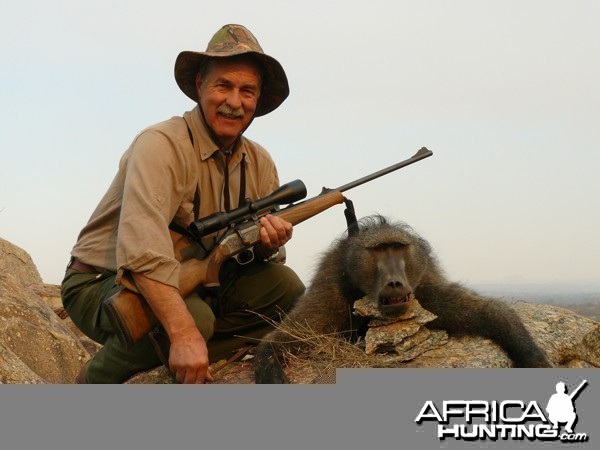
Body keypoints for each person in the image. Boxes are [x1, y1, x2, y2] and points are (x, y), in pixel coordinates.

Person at [61, 24, 305, 384]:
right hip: (103, 280)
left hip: (193, 278)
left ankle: (182, 356)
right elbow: (141, 253)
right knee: (194, 320)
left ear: (258, 99)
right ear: (199, 87)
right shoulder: (160, 143)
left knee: (287, 290)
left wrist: (269, 245)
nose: (234, 102)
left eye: (247, 90)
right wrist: (184, 333)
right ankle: (94, 381)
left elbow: (254, 257)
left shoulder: (261, 162)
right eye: (223, 85)